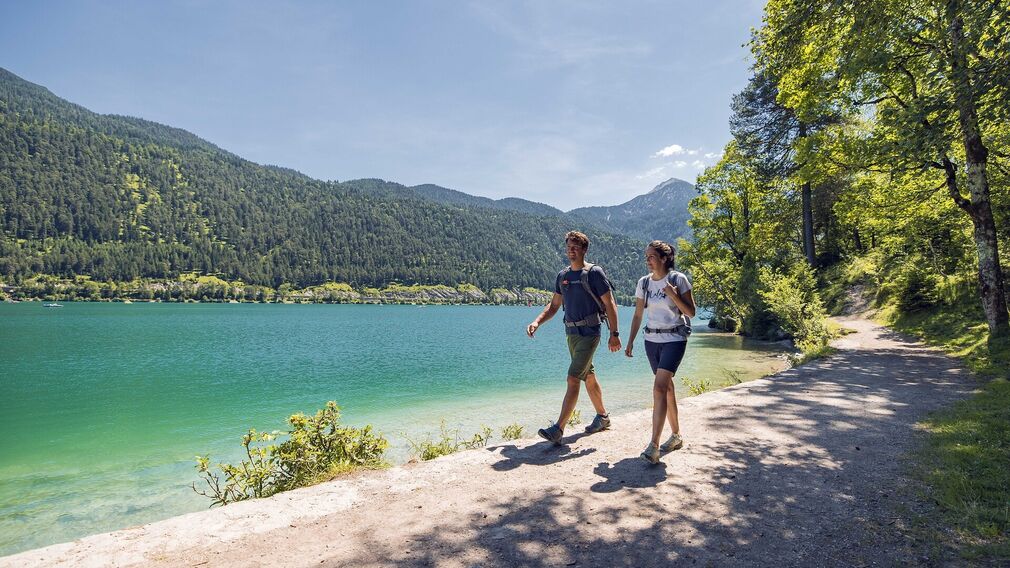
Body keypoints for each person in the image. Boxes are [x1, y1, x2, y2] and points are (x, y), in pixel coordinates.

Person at [527, 231, 622, 444]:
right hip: (571, 333)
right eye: (569, 246)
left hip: (590, 333)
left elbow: (610, 304)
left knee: (573, 378)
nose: (571, 250)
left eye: (575, 247)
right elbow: (553, 306)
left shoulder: (594, 273)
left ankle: (558, 429)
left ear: (584, 249)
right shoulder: (563, 276)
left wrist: (614, 334)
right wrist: (537, 322)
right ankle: (603, 417)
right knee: (588, 375)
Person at [625, 240, 696, 464]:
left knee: (659, 387)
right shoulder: (644, 283)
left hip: (674, 338)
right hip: (651, 340)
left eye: (651, 257)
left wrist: (674, 295)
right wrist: (630, 342)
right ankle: (675, 435)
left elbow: (691, 312)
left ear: (664, 258)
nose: (647, 260)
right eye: (646, 257)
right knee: (667, 388)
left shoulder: (678, 279)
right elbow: (637, 315)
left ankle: (654, 445)